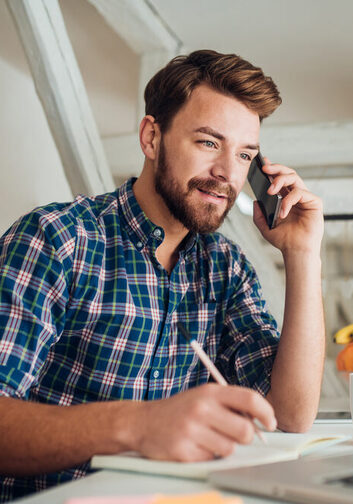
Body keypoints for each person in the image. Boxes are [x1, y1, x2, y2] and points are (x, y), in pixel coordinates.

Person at [0, 50, 325, 501]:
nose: (227, 174)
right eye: (209, 143)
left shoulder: (226, 269)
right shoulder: (57, 239)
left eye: (245, 154)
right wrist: (139, 424)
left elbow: (290, 416)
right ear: (152, 138)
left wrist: (303, 253)